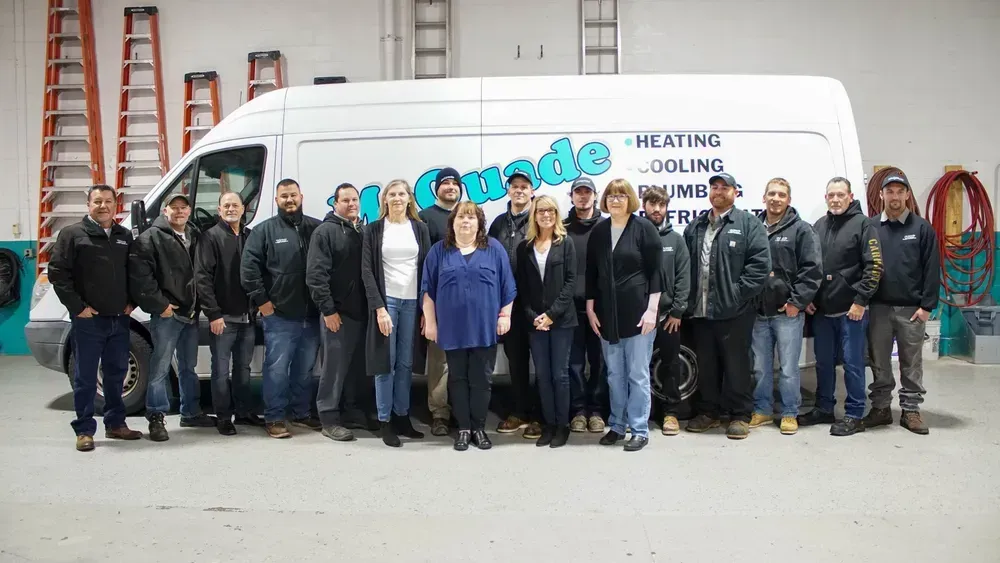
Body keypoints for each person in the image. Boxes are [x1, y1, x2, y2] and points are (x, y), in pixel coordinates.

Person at [48, 185, 142, 451]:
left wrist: (133, 302)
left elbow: (135, 272)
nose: (103, 206)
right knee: (86, 377)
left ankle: (116, 425)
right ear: (88, 205)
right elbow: (58, 273)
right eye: (97, 201)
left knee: (116, 375)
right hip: (89, 320)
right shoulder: (72, 235)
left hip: (119, 319)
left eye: (108, 201)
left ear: (116, 204)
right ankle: (85, 430)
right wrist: (78, 308)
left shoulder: (124, 235)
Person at [682, 172, 771, 440]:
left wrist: (735, 295)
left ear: (736, 192)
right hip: (700, 311)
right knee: (706, 366)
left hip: (735, 312)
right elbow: (685, 266)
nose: (718, 191)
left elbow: (759, 267)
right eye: (714, 187)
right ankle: (709, 412)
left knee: (737, 365)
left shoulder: (749, 224)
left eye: (725, 187)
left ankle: (739, 415)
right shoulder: (696, 226)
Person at [421, 201, 516, 451]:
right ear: (452, 223)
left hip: (484, 329)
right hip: (452, 330)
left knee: (482, 380)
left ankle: (479, 428)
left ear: (479, 223)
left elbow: (508, 287)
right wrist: (430, 323)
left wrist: (505, 316)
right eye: (461, 217)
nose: (466, 221)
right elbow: (428, 292)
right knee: (457, 379)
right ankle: (463, 428)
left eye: (471, 218)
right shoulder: (438, 251)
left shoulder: (494, 249)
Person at [799, 177, 882, 437]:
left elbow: (875, 266)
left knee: (853, 364)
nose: (835, 199)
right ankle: (824, 408)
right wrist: (810, 297)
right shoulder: (819, 226)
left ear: (850, 196)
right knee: (823, 363)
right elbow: (810, 267)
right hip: (823, 311)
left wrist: (860, 301)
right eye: (831, 195)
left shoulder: (863, 225)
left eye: (840, 195)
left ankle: (855, 414)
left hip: (852, 312)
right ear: (826, 198)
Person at [130, 192, 216, 442]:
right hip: (168, 315)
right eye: (174, 207)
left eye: (184, 207)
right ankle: (156, 417)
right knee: (160, 368)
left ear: (190, 211)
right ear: (164, 211)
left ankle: (190, 412)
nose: (179, 212)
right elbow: (142, 278)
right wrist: (162, 306)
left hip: (190, 313)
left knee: (188, 368)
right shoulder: (150, 238)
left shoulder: (195, 235)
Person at [585, 179, 663, 451]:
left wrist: (653, 310)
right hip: (607, 317)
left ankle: (639, 429)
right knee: (614, 374)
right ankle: (617, 426)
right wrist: (590, 308)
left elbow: (657, 272)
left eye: (621, 195)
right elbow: (592, 273)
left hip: (639, 314)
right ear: (604, 201)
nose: (615, 200)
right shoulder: (599, 231)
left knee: (637, 375)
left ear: (630, 200)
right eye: (611, 196)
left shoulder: (644, 229)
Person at [242, 178, 323, 439]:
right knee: (276, 369)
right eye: (284, 196)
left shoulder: (316, 228)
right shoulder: (263, 231)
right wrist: (262, 302)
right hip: (279, 316)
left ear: (301, 197)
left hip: (311, 314)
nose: (289, 200)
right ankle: (275, 417)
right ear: (276, 200)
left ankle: (301, 414)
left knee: (305, 368)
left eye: (293, 195)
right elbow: (249, 269)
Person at [865, 171, 938, 435]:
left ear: (907, 194)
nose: (894, 196)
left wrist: (927, 306)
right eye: (890, 191)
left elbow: (931, 269)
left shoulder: (921, 228)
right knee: (879, 362)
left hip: (911, 310)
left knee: (911, 363)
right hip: (879, 309)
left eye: (899, 191)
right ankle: (882, 408)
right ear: (882, 195)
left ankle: (910, 411)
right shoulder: (871, 227)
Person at [361, 179, 432, 447]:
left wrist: (426, 307)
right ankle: (385, 420)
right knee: (385, 364)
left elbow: (426, 268)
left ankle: (402, 416)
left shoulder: (420, 229)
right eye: (392, 194)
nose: (397, 198)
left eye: (402, 193)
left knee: (405, 364)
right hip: (387, 302)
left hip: (412, 302)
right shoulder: (375, 229)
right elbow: (367, 270)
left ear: (410, 199)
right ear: (385, 200)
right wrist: (379, 308)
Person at [749, 178, 822, 435]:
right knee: (760, 367)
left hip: (787, 313)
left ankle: (790, 412)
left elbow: (812, 270)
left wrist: (796, 302)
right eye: (771, 194)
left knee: (789, 368)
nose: (776, 198)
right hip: (758, 313)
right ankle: (763, 410)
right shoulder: (754, 227)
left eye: (781, 194)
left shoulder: (801, 230)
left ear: (788, 200)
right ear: (764, 197)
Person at [306, 183, 372, 442]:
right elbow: (315, 276)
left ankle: (353, 412)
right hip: (337, 315)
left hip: (360, 313)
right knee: (333, 369)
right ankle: (329, 418)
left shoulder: (362, 231)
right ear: (335, 203)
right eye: (346, 200)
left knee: (356, 368)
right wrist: (328, 310)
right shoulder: (325, 232)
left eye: (355, 199)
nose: (352, 204)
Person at [194, 192, 264, 436]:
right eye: (227, 205)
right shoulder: (210, 238)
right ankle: (224, 417)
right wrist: (213, 314)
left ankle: (244, 413)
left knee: (243, 369)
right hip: (223, 319)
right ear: (219, 209)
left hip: (248, 319)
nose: (231, 209)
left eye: (235, 205)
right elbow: (202, 279)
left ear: (243, 209)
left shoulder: (250, 236)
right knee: (221, 371)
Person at [515, 195, 577, 448]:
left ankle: (563, 426)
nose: (546, 215)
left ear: (556, 213)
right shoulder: (525, 247)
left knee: (560, 374)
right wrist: (533, 316)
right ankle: (549, 424)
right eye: (541, 211)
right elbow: (523, 287)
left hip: (561, 321)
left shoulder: (566, 243)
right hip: (535, 322)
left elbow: (571, 282)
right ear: (534, 215)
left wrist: (552, 314)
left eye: (550, 210)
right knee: (542, 374)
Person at [489, 169, 542, 440]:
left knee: (544, 361)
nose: (519, 190)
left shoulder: (541, 218)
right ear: (508, 191)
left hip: (537, 302)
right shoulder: (498, 223)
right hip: (508, 304)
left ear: (532, 191)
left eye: (524, 186)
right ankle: (520, 411)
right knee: (517, 361)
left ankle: (542, 416)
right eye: (514, 186)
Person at [640, 186, 691, 436]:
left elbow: (683, 276)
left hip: (667, 317)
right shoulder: (634, 234)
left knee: (671, 364)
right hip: (639, 318)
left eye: (661, 205)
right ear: (644, 205)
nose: (656, 209)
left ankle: (671, 413)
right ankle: (640, 413)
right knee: (637, 367)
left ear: (667, 207)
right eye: (652, 204)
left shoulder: (675, 240)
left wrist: (677, 311)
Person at [417, 167, 461, 436]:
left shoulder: (468, 214)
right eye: (445, 183)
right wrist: (426, 308)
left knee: (463, 360)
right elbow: (423, 266)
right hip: (438, 302)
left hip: (466, 303)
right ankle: (439, 414)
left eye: (455, 183)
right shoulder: (424, 218)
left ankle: (463, 409)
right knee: (439, 362)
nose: (451, 187)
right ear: (436, 188)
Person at [563, 177, 609, 433]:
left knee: (600, 363)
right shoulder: (562, 228)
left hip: (601, 309)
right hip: (570, 308)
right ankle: (578, 411)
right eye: (578, 192)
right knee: (574, 363)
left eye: (587, 192)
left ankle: (598, 411)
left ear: (595, 195)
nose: (583, 197)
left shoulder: (607, 227)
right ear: (571, 196)